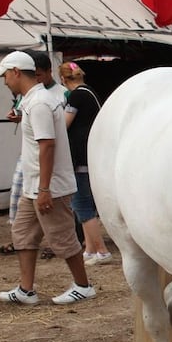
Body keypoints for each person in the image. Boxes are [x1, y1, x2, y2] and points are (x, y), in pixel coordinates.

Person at [0, 51, 96, 305]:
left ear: (16, 72)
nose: (4, 81)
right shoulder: (34, 100)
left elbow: (47, 145)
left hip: (48, 185)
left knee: (62, 237)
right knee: (23, 233)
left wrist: (45, 188)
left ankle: (83, 285)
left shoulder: (38, 104)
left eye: (5, 75)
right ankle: (26, 289)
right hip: (34, 185)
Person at [0, 51, 67, 256]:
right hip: (31, 157)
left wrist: (44, 188)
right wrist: (18, 117)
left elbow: (48, 142)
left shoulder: (53, 96)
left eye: (38, 74)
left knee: (59, 225)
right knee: (19, 199)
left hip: (48, 161)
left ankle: (78, 277)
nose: (36, 79)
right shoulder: (30, 97)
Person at [59, 61, 112, 264]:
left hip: (79, 156)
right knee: (83, 202)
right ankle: (89, 249)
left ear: (63, 79)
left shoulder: (76, 96)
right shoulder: (90, 93)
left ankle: (101, 250)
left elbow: (64, 124)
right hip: (91, 153)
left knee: (82, 204)